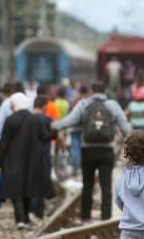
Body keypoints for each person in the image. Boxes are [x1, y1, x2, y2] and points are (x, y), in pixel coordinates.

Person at [54, 82, 131, 222]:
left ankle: (85, 216)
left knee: (87, 183)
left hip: (88, 150)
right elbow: (125, 128)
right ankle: (106, 216)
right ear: (105, 91)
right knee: (106, 185)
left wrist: (54, 125)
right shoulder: (112, 105)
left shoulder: (83, 104)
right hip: (106, 149)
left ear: (92, 91)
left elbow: (70, 121)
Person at [0, 93, 56, 229]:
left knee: (16, 191)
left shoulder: (10, 120)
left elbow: (4, 144)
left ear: (16, 104)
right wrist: (55, 131)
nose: (10, 106)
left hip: (13, 159)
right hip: (32, 159)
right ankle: (26, 218)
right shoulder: (35, 119)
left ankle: (20, 219)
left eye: (12, 103)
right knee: (28, 189)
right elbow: (45, 137)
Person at [31, 96, 54, 220]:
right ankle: (39, 211)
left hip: (30, 155)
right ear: (44, 105)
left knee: (32, 182)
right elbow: (56, 135)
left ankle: (32, 209)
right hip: (44, 154)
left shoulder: (29, 118)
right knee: (42, 182)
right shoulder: (47, 119)